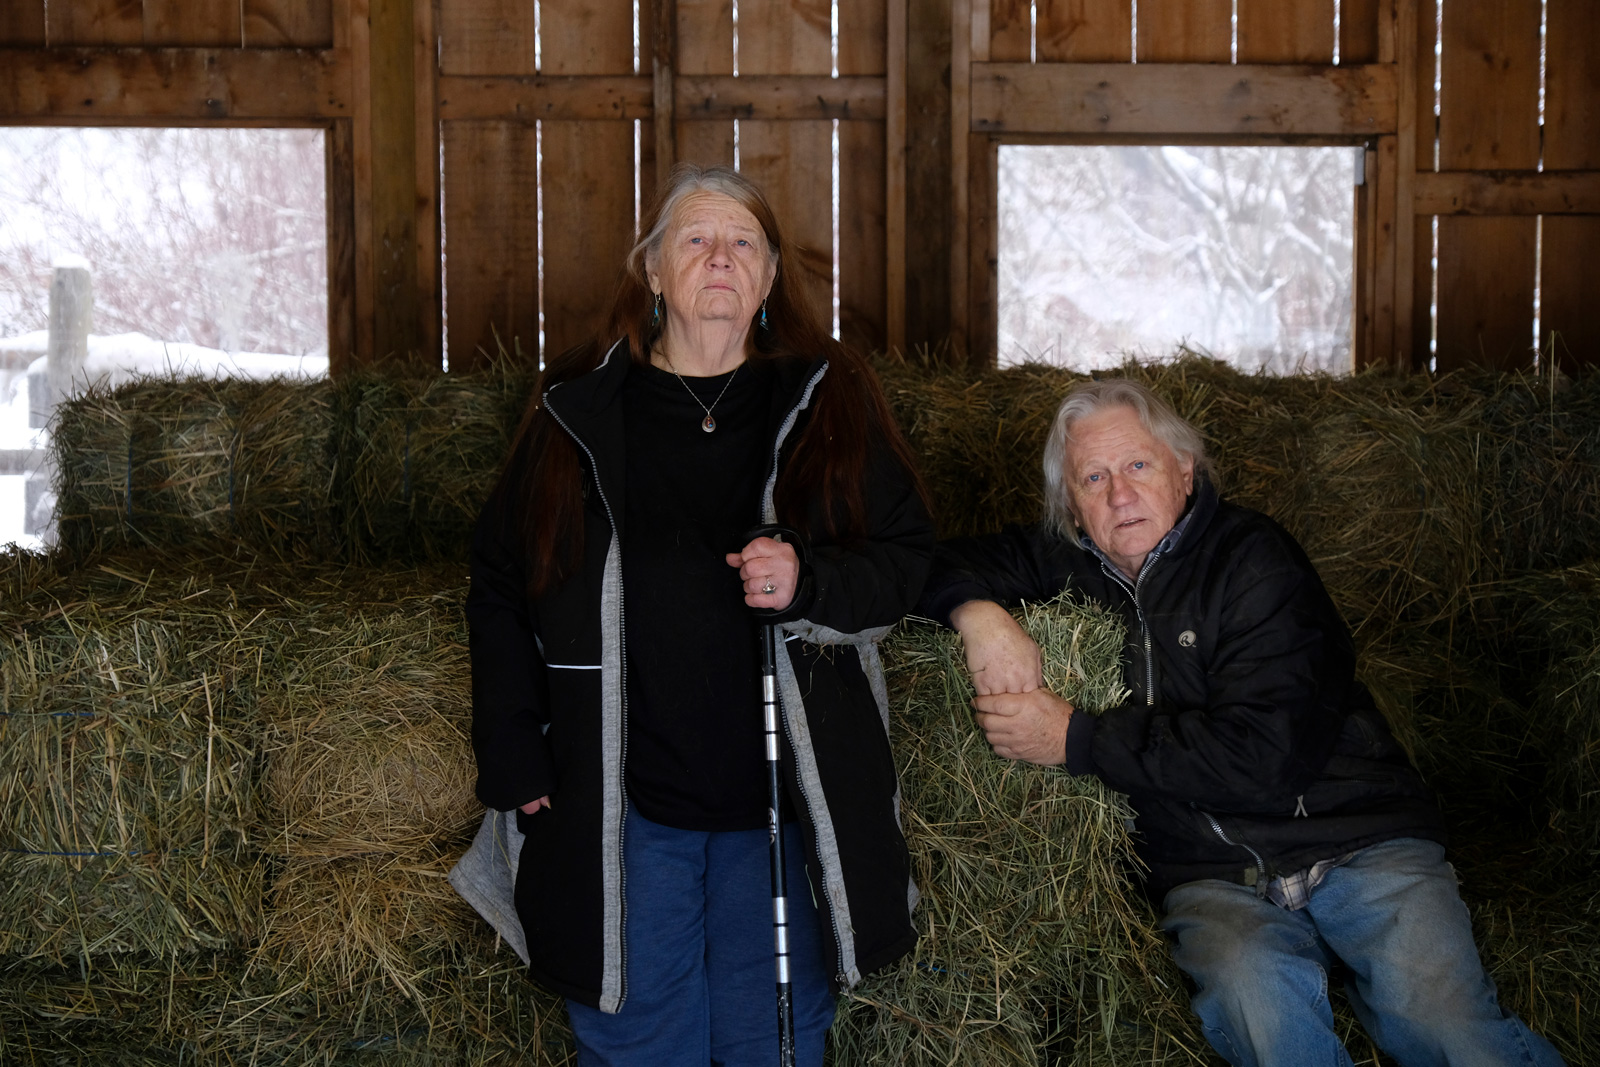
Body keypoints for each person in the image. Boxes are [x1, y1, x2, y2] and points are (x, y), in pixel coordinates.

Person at [916, 377, 1563, 1067]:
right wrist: (977, 616)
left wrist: (1075, 738)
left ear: (1184, 469)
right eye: (1093, 477)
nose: (1119, 493)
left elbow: (1266, 761)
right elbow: (912, 566)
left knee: (1443, 1024)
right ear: (1071, 505)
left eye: (1138, 465)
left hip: (1356, 835)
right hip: (1211, 871)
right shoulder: (1066, 564)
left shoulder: (1254, 559)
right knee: (1265, 1017)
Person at [462, 163, 933, 1067]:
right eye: (696, 239)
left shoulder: (827, 399)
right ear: (652, 270)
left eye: (743, 243)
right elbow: (497, 578)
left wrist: (809, 585)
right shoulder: (576, 408)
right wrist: (511, 744)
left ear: (766, 281)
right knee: (639, 1036)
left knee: (772, 1040)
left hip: (787, 799)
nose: (720, 257)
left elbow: (906, 560)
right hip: (621, 798)